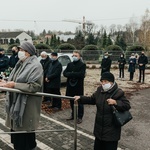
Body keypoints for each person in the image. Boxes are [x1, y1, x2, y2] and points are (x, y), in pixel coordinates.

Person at [0, 42, 43, 150]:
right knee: (18, 137)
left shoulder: (35, 66)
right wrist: (5, 82)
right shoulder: (20, 63)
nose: (19, 52)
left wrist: (14, 85)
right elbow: (14, 79)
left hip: (26, 106)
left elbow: (35, 86)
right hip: (16, 105)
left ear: (28, 52)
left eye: (21, 50)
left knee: (25, 135)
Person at [74, 72, 131, 150]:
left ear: (112, 82)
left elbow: (127, 105)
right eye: (102, 81)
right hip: (99, 130)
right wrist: (80, 98)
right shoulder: (99, 90)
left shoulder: (118, 92)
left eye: (106, 81)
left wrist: (116, 102)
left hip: (111, 132)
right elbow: (92, 99)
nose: (103, 83)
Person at [63, 50, 86, 124]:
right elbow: (65, 73)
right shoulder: (70, 64)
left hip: (78, 86)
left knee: (79, 101)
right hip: (70, 85)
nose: (74, 57)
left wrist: (71, 74)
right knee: (71, 100)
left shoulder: (82, 65)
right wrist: (73, 74)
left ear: (79, 57)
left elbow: (81, 74)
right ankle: (73, 115)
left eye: (76, 56)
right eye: (73, 55)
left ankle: (80, 117)